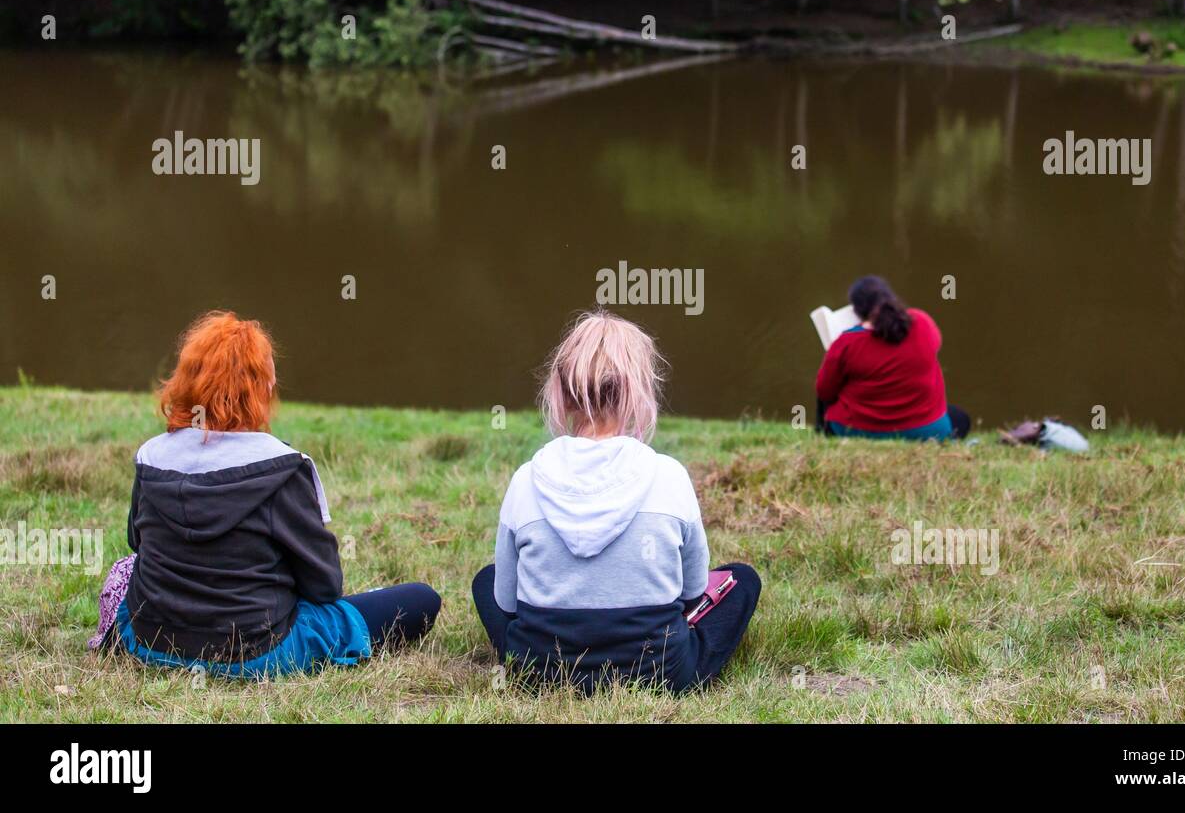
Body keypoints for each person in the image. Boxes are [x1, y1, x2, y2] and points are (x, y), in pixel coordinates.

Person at [103, 310, 440, 676]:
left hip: (152, 641)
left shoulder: (152, 455)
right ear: (260, 387)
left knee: (124, 570)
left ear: (185, 381)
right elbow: (324, 585)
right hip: (255, 651)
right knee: (421, 599)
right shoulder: (283, 467)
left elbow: (137, 543)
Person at [472, 310, 760, 692]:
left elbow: (507, 602)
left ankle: (531, 659)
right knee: (743, 579)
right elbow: (692, 592)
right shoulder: (670, 474)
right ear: (639, 391)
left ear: (562, 393)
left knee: (486, 580)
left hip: (542, 674)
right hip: (658, 673)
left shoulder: (526, 479)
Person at [815, 276, 971, 441]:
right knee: (960, 418)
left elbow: (824, 391)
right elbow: (935, 345)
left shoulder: (847, 342)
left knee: (829, 381)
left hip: (857, 431)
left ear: (856, 311)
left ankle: (822, 433)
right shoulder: (922, 322)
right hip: (926, 431)